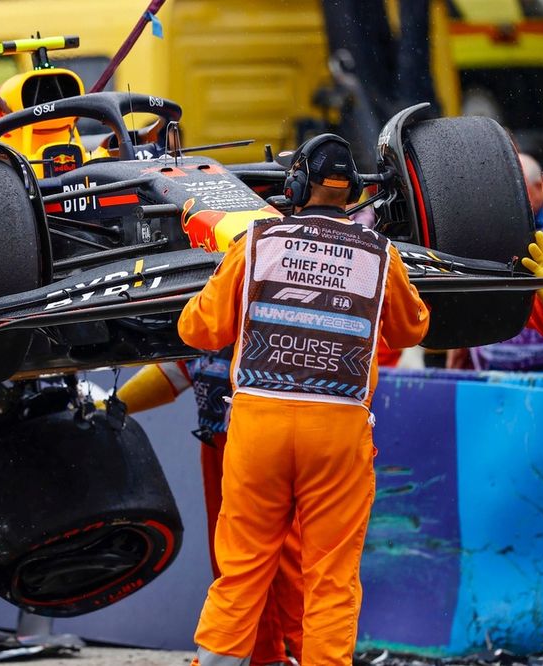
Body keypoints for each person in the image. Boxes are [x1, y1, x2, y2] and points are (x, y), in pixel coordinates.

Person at [180, 134, 429, 666]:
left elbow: (199, 330)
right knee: (331, 581)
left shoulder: (257, 240)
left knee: (241, 573)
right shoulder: (380, 253)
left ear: (295, 183)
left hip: (258, 426)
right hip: (338, 430)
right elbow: (411, 329)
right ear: (354, 190)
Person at [114, 354, 303, 665]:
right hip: (222, 433)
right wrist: (112, 406)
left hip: (265, 429)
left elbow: (193, 343)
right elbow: (184, 364)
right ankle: (267, 655)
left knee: (285, 555)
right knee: (232, 553)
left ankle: (315, 654)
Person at [465, 153, 543, 370]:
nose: (506, 198)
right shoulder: (484, 226)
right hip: (496, 364)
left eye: (515, 190)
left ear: (540, 186)